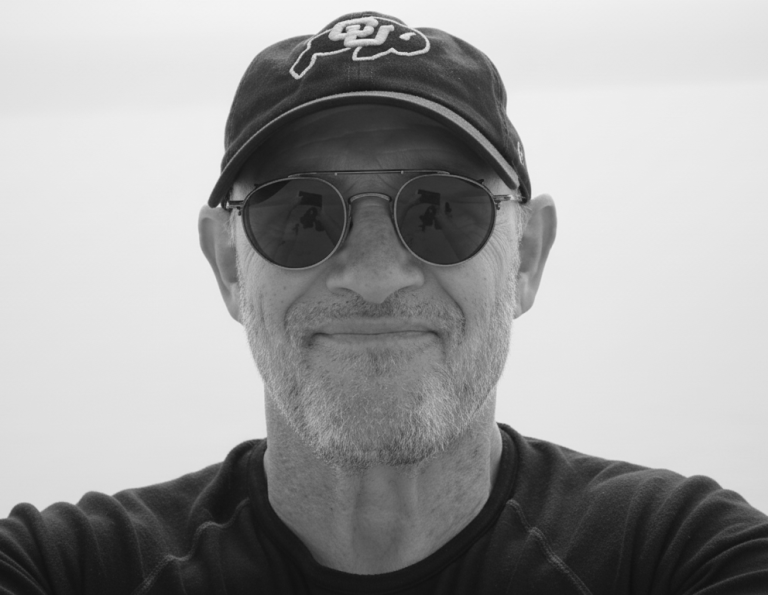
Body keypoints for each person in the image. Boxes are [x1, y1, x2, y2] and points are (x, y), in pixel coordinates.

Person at [1, 11, 766, 594]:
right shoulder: (66, 568)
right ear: (229, 263)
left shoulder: (676, 555)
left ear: (527, 256)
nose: (373, 275)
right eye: (301, 212)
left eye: (442, 208)